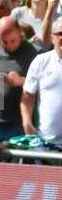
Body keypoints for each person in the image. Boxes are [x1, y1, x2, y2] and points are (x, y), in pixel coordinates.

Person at [20, 17, 62, 147]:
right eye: (60, 33)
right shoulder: (41, 61)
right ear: (52, 37)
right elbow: (28, 95)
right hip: (46, 141)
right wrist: (27, 122)